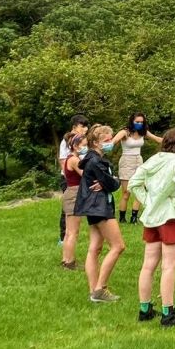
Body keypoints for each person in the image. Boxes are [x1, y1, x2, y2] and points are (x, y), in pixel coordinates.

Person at [129, 128, 175, 327]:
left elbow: (134, 183)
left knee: (148, 265)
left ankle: (145, 308)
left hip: (153, 217)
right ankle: (168, 313)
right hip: (172, 217)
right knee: (169, 266)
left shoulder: (154, 159)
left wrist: (147, 201)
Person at [74, 124, 125, 303]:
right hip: (100, 207)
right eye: (106, 140)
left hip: (93, 207)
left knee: (94, 249)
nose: (110, 143)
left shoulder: (91, 159)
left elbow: (107, 182)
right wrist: (113, 181)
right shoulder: (96, 161)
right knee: (118, 246)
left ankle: (93, 291)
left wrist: (108, 182)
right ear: (95, 143)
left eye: (111, 139)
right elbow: (113, 184)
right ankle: (100, 289)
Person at [112, 112, 163, 224]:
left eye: (141, 122)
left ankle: (134, 217)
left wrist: (172, 141)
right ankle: (122, 218)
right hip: (126, 161)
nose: (139, 124)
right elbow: (114, 141)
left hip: (138, 161)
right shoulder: (125, 132)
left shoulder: (143, 132)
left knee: (140, 190)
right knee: (126, 192)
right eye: (137, 122)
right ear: (132, 121)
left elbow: (157, 139)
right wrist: (106, 145)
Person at [57, 114, 89, 245]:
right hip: (70, 179)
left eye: (86, 126)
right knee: (68, 209)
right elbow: (62, 160)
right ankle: (63, 236)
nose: (85, 129)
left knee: (75, 209)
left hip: (78, 176)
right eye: (82, 126)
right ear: (74, 126)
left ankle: (69, 236)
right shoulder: (68, 141)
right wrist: (68, 176)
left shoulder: (82, 141)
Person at [60, 132, 86, 270]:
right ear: (75, 146)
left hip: (70, 193)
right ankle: (70, 262)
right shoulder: (75, 160)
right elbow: (85, 174)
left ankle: (65, 259)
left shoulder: (68, 158)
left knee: (68, 231)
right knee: (73, 232)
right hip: (75, 194)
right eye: (84, 145)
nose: (85, 148)